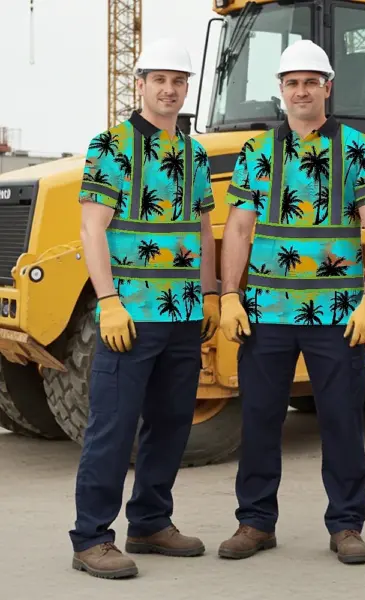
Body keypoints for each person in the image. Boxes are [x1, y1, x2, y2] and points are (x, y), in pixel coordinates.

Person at [216, 39, 365, 565]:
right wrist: (230, 295)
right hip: (266, 313)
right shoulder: (257, 152)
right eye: (292, 83)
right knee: (260, 420)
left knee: (341, 421)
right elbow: (238, 228)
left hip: (338, 316)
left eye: (310, 82)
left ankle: (347, 525)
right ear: (280, 90)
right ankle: (254, 523)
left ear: (327, 88)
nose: (301, 91)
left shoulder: (360, 150)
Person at [70, 37, 219, 579]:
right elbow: (91, 229)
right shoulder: (110, 146)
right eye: (160, 80)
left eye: (179, 81)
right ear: (140, 85)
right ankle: (91, 538)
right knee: (113, 427)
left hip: (183, 314)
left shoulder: (194, 152)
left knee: (171, 423)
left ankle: (151, 522)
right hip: (130, 315)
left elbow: (202, 226)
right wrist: (108, 301)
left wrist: (209, 292)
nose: (170, 90)